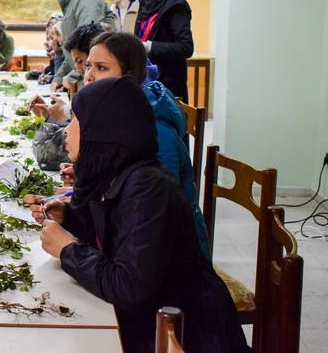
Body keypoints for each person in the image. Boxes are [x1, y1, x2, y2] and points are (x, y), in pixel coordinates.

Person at [29, 77, 248, 353]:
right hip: (153, 320)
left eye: (76, 120)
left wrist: (68, 250)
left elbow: (129, 286)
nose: (67, 130)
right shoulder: (120, 172)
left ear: (104, 129)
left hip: (186, 334)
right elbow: (116, 237)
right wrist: (69, 218)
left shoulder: (148, 190)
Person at [83, 31, 209, 257]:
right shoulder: (116, 112)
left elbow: (156, 207)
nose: (89, 76)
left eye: (101, 68)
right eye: (88, 66)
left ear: (129, 75)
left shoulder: (156, 129)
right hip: (135, 236)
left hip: (175, 255)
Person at [48, 0, 116, 90]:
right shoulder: (75, 0)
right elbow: (72, 52)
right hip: (84, 81)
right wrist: (59, 78)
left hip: (93, 83)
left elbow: (88, 45)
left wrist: (70, 78)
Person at [136, 0, 194, 102]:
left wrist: (150, 46)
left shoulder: (177, 5)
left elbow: (186, 47)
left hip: (167, 81)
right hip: (143, 76)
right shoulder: (144, 1)